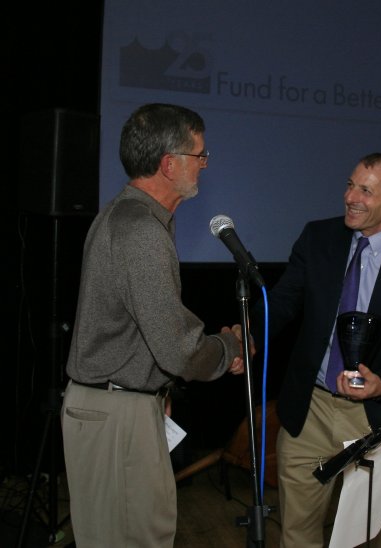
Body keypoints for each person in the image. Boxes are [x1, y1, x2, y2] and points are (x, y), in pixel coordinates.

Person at [61, 103, 245, 548]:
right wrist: (227, 347)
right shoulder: (140, 229)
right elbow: (177, 349)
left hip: (119, 407)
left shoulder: (129, 216)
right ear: (169, 164)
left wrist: (156, 390)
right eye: (199, 156)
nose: (204, 165)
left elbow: (139, 330)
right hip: (116, 416)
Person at [250, 152, 381, 547]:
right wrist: (248, 331)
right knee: (296, 536)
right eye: (349, 185)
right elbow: (284, 302)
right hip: (310, 410)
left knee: (373, 540)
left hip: (377, 420)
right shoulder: (318, 238)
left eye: (366, 190)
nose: (351, 197)